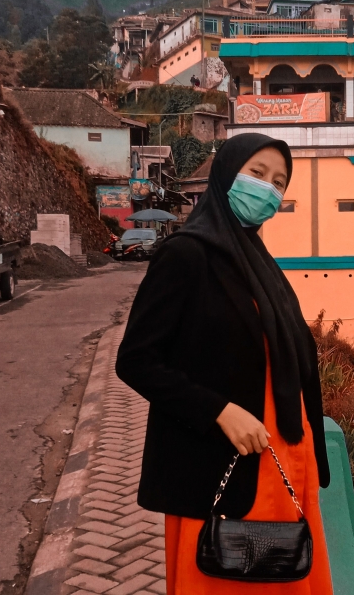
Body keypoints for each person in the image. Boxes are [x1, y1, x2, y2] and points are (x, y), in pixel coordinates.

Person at [116, 134, 332, 594]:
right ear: (225, 175)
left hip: (285, 463)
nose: (268, 190)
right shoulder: (185, 255)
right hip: (221, 467)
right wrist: (219, 411)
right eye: (256, 174)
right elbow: (136, 360)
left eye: (278, 183)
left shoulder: (260, 264)